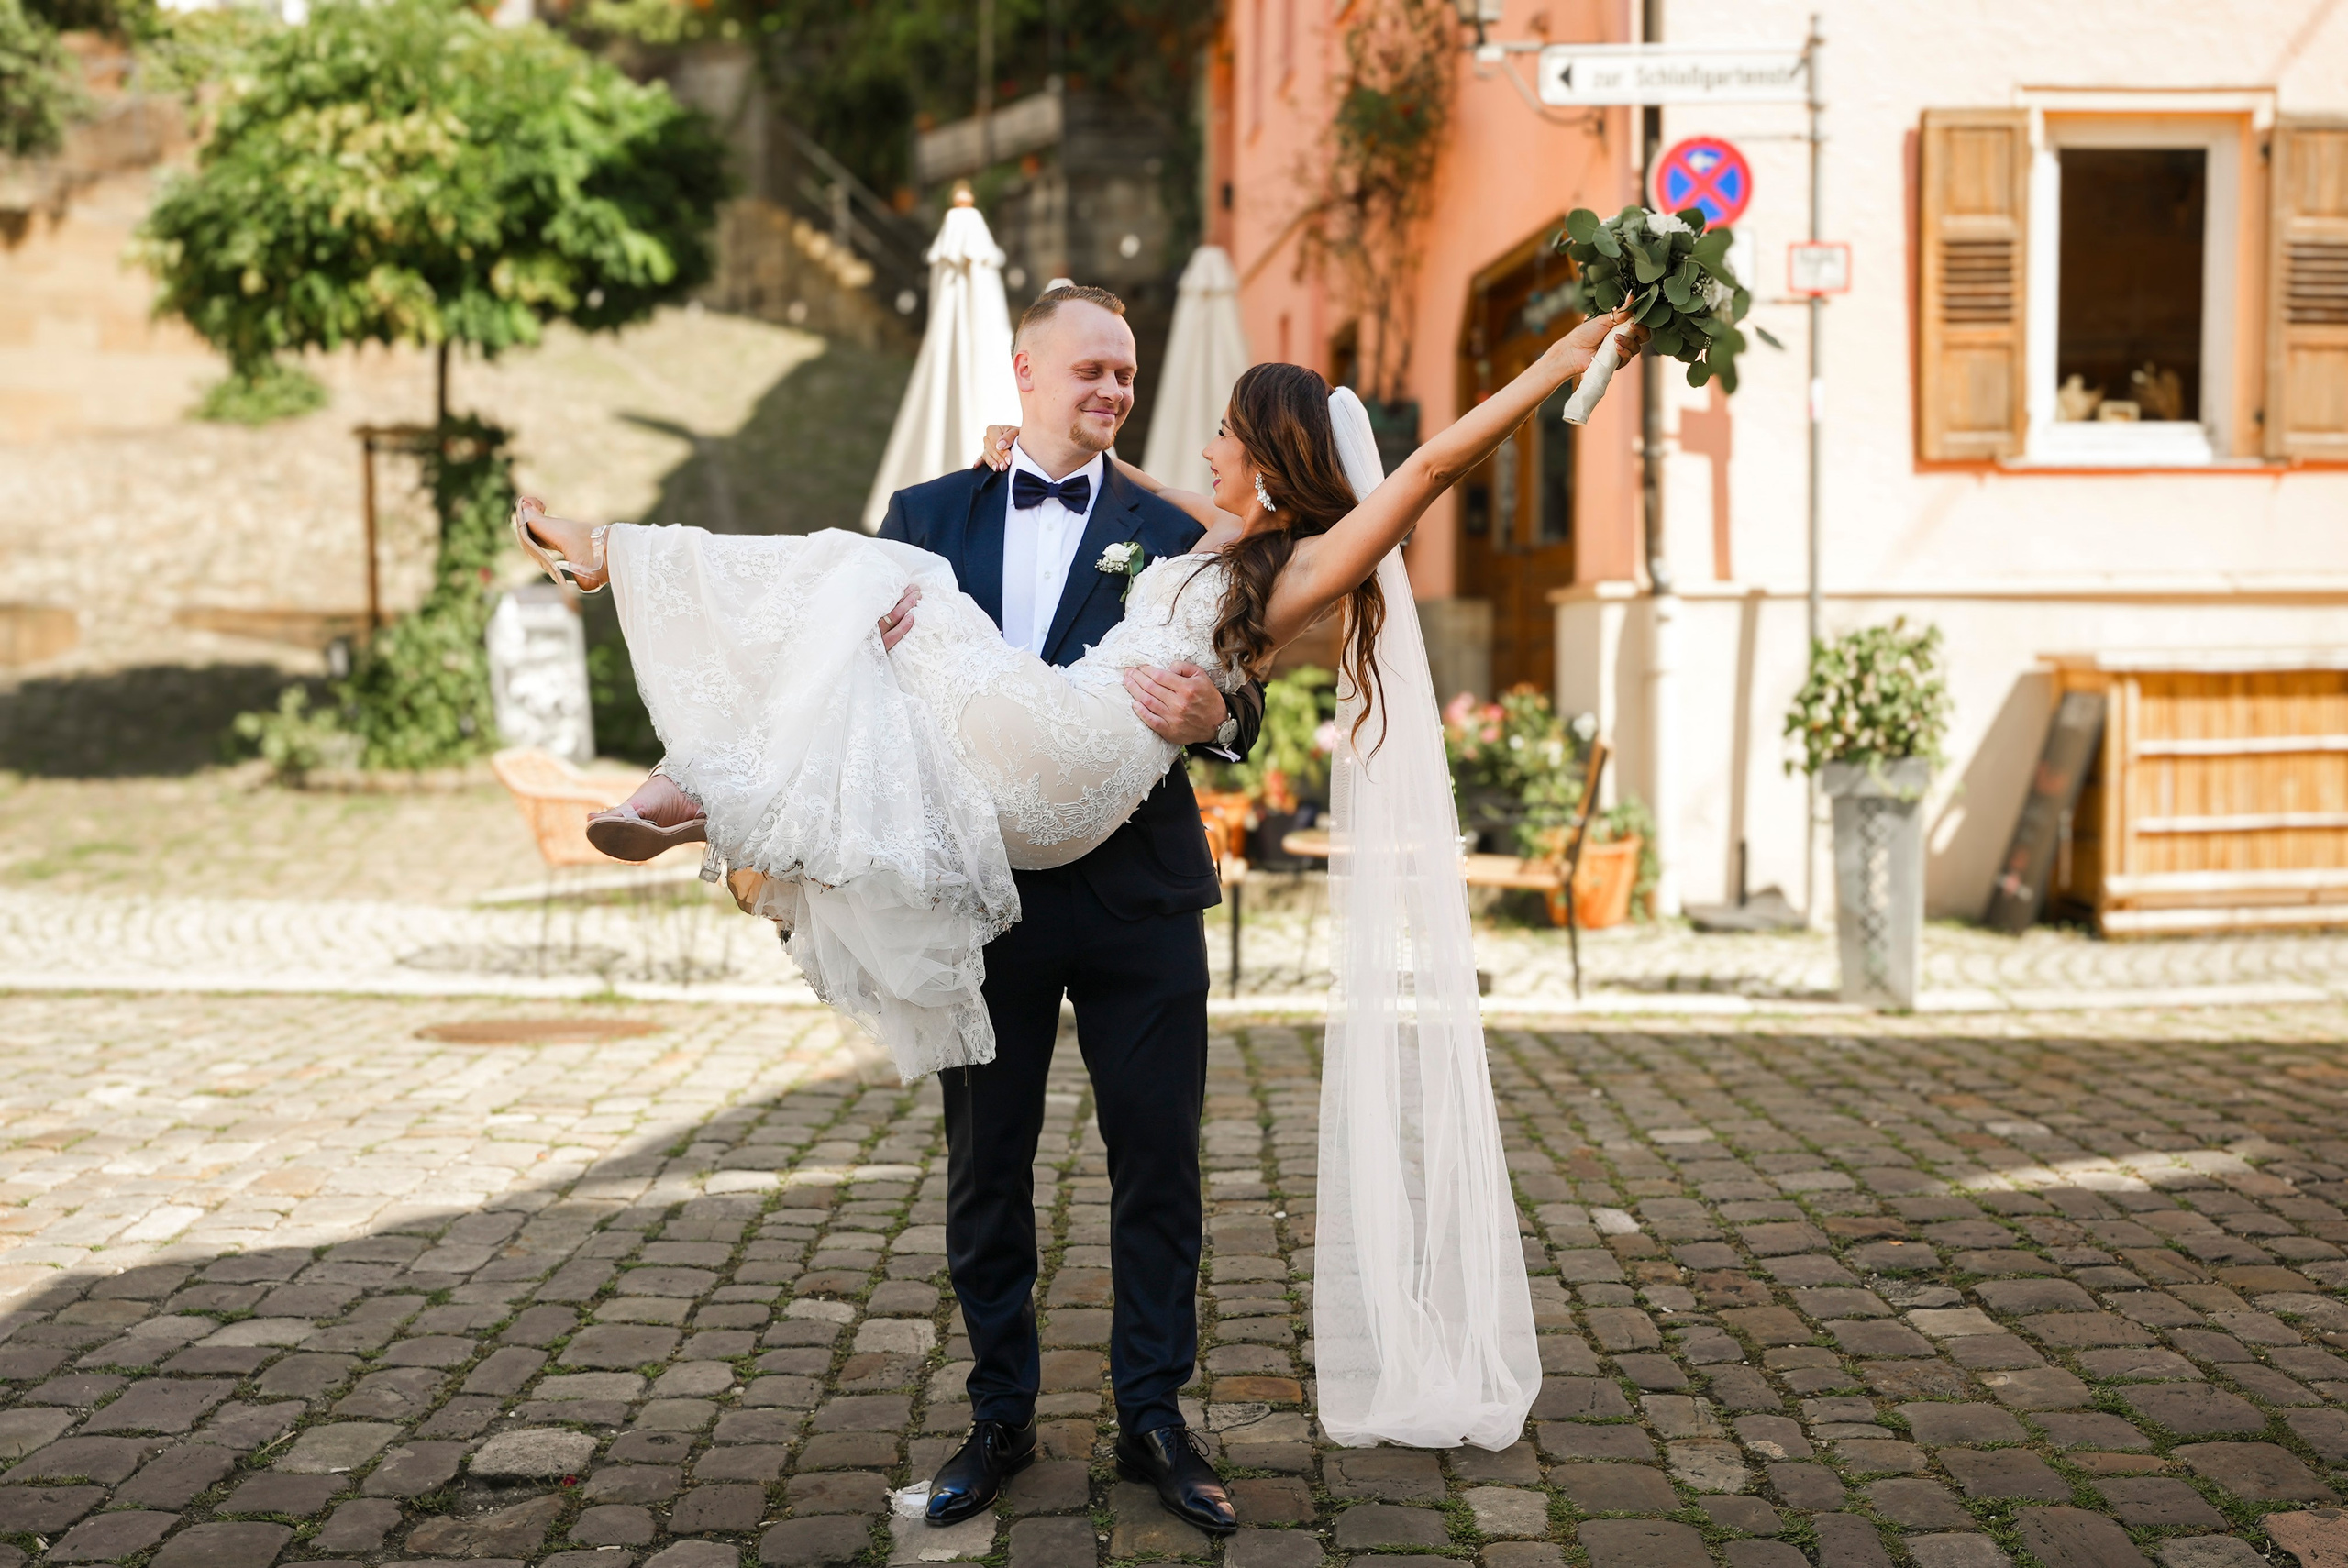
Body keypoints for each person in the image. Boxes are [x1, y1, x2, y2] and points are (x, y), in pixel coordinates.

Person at [511, 295, 1645, 1476]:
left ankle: (1152, 1418)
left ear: (1259, 455)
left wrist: (1554, 362)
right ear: (1028, 372)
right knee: (983, 1166)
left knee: (1157, 1166)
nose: (1131, 405)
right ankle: (998, 1414)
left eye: (1161, 395)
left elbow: (1428, 468)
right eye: (1093, 373)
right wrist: (1049, 461)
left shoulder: (1277, 565)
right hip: (1003, 835)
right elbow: (1153, 485)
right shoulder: (1061, 516)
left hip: (1117, 858)